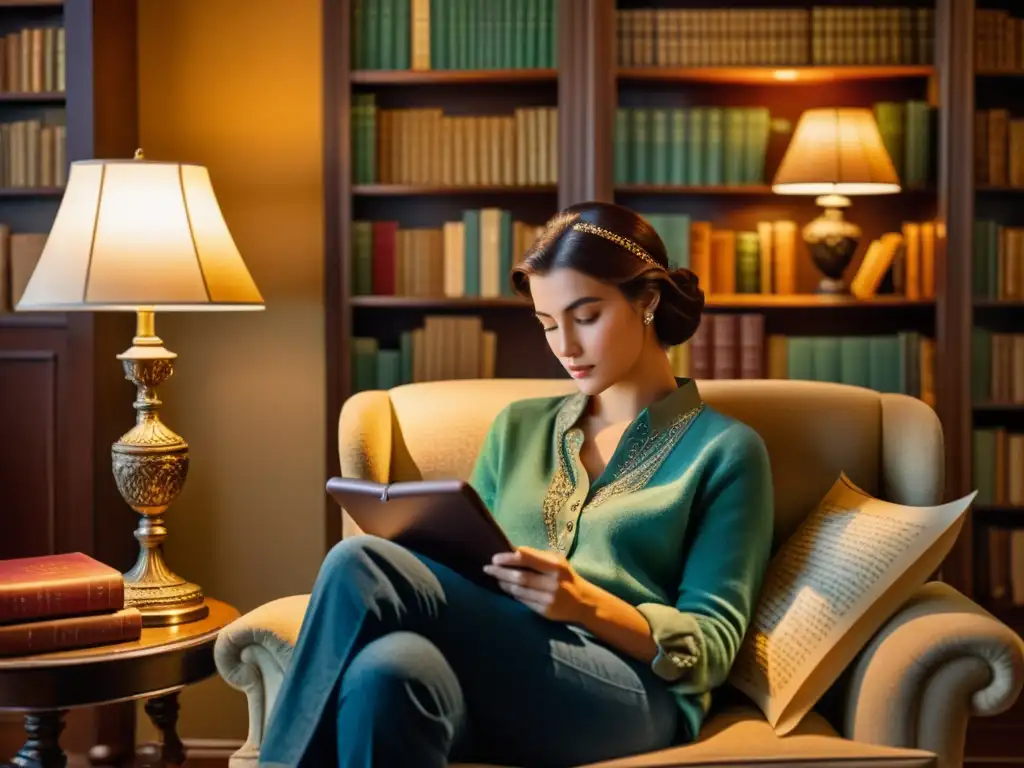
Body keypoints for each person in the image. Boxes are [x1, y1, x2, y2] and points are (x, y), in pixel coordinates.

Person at [258, 201, 774, 768]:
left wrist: (584, 604)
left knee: (360, 563)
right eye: (549, 324)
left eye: (586, 316)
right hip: (501, 670)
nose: (565, 347)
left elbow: (711, 646)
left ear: (646, 301)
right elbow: (466, 574)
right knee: (390, 670)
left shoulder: (725, 451)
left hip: (629, 695)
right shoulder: (517, 428)